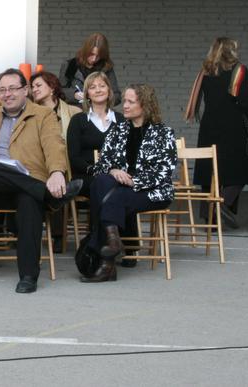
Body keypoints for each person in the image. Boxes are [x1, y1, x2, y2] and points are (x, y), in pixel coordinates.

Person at [0, 68, 82, 294]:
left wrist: (57, 172)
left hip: (28, 183)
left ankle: (28, 276)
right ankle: (47, 195)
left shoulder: (43, 115)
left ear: (25, 90)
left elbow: (54, 145)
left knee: (29, 199)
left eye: (12, 89)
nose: (7, 94)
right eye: (2, 90)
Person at [84, 84, 176, 283]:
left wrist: (134, 181)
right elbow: (100, 165)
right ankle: (112, 244)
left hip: (152, 191)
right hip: (118, 188)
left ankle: (104, 257)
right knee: (101, 181)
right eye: (124, 100)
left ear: (145, 105)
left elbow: (164, 171)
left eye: (130, 101)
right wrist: (113, 170)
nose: (124, 105)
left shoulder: (163, 133)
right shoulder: (117, 130)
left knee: (112, 197)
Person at [185, 37, 248, 229]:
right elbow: (246, 102)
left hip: (209, 128)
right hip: (233, 128)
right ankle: (221, 205)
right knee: (238, 173)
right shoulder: (239, 70)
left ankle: (210, 219)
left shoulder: (205, 72)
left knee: (209, 172)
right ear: (231, 51)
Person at [30, 71, 81, 252]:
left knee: (58, 180)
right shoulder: (29, 112)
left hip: (64, 161)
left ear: (52, 87)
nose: (34, 89)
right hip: (36, 162)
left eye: (38, 85)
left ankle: (58, 236)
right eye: (32, 87)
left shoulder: (73, 112)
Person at [67, 71, 124, 196]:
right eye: (92, 87)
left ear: (109, 90)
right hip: (86, 175)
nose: (98, 90)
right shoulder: (77, 120)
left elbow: (127, 153)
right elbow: (74, 157)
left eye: (102, 86)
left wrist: (115, 171)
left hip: (116, 174)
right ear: (87, 94)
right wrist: (100, 171)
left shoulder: (121, 120)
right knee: (105, 184)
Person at [59, 33, 121, 106]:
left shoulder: (106, 68)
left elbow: (117, 96)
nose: (94, 59)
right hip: (75, 110)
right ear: (85, 50)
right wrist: (74, 94)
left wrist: (102, 99)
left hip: (98, 110)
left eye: (98, 56)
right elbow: (60, 91)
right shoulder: (70, 65)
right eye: (91, 54)